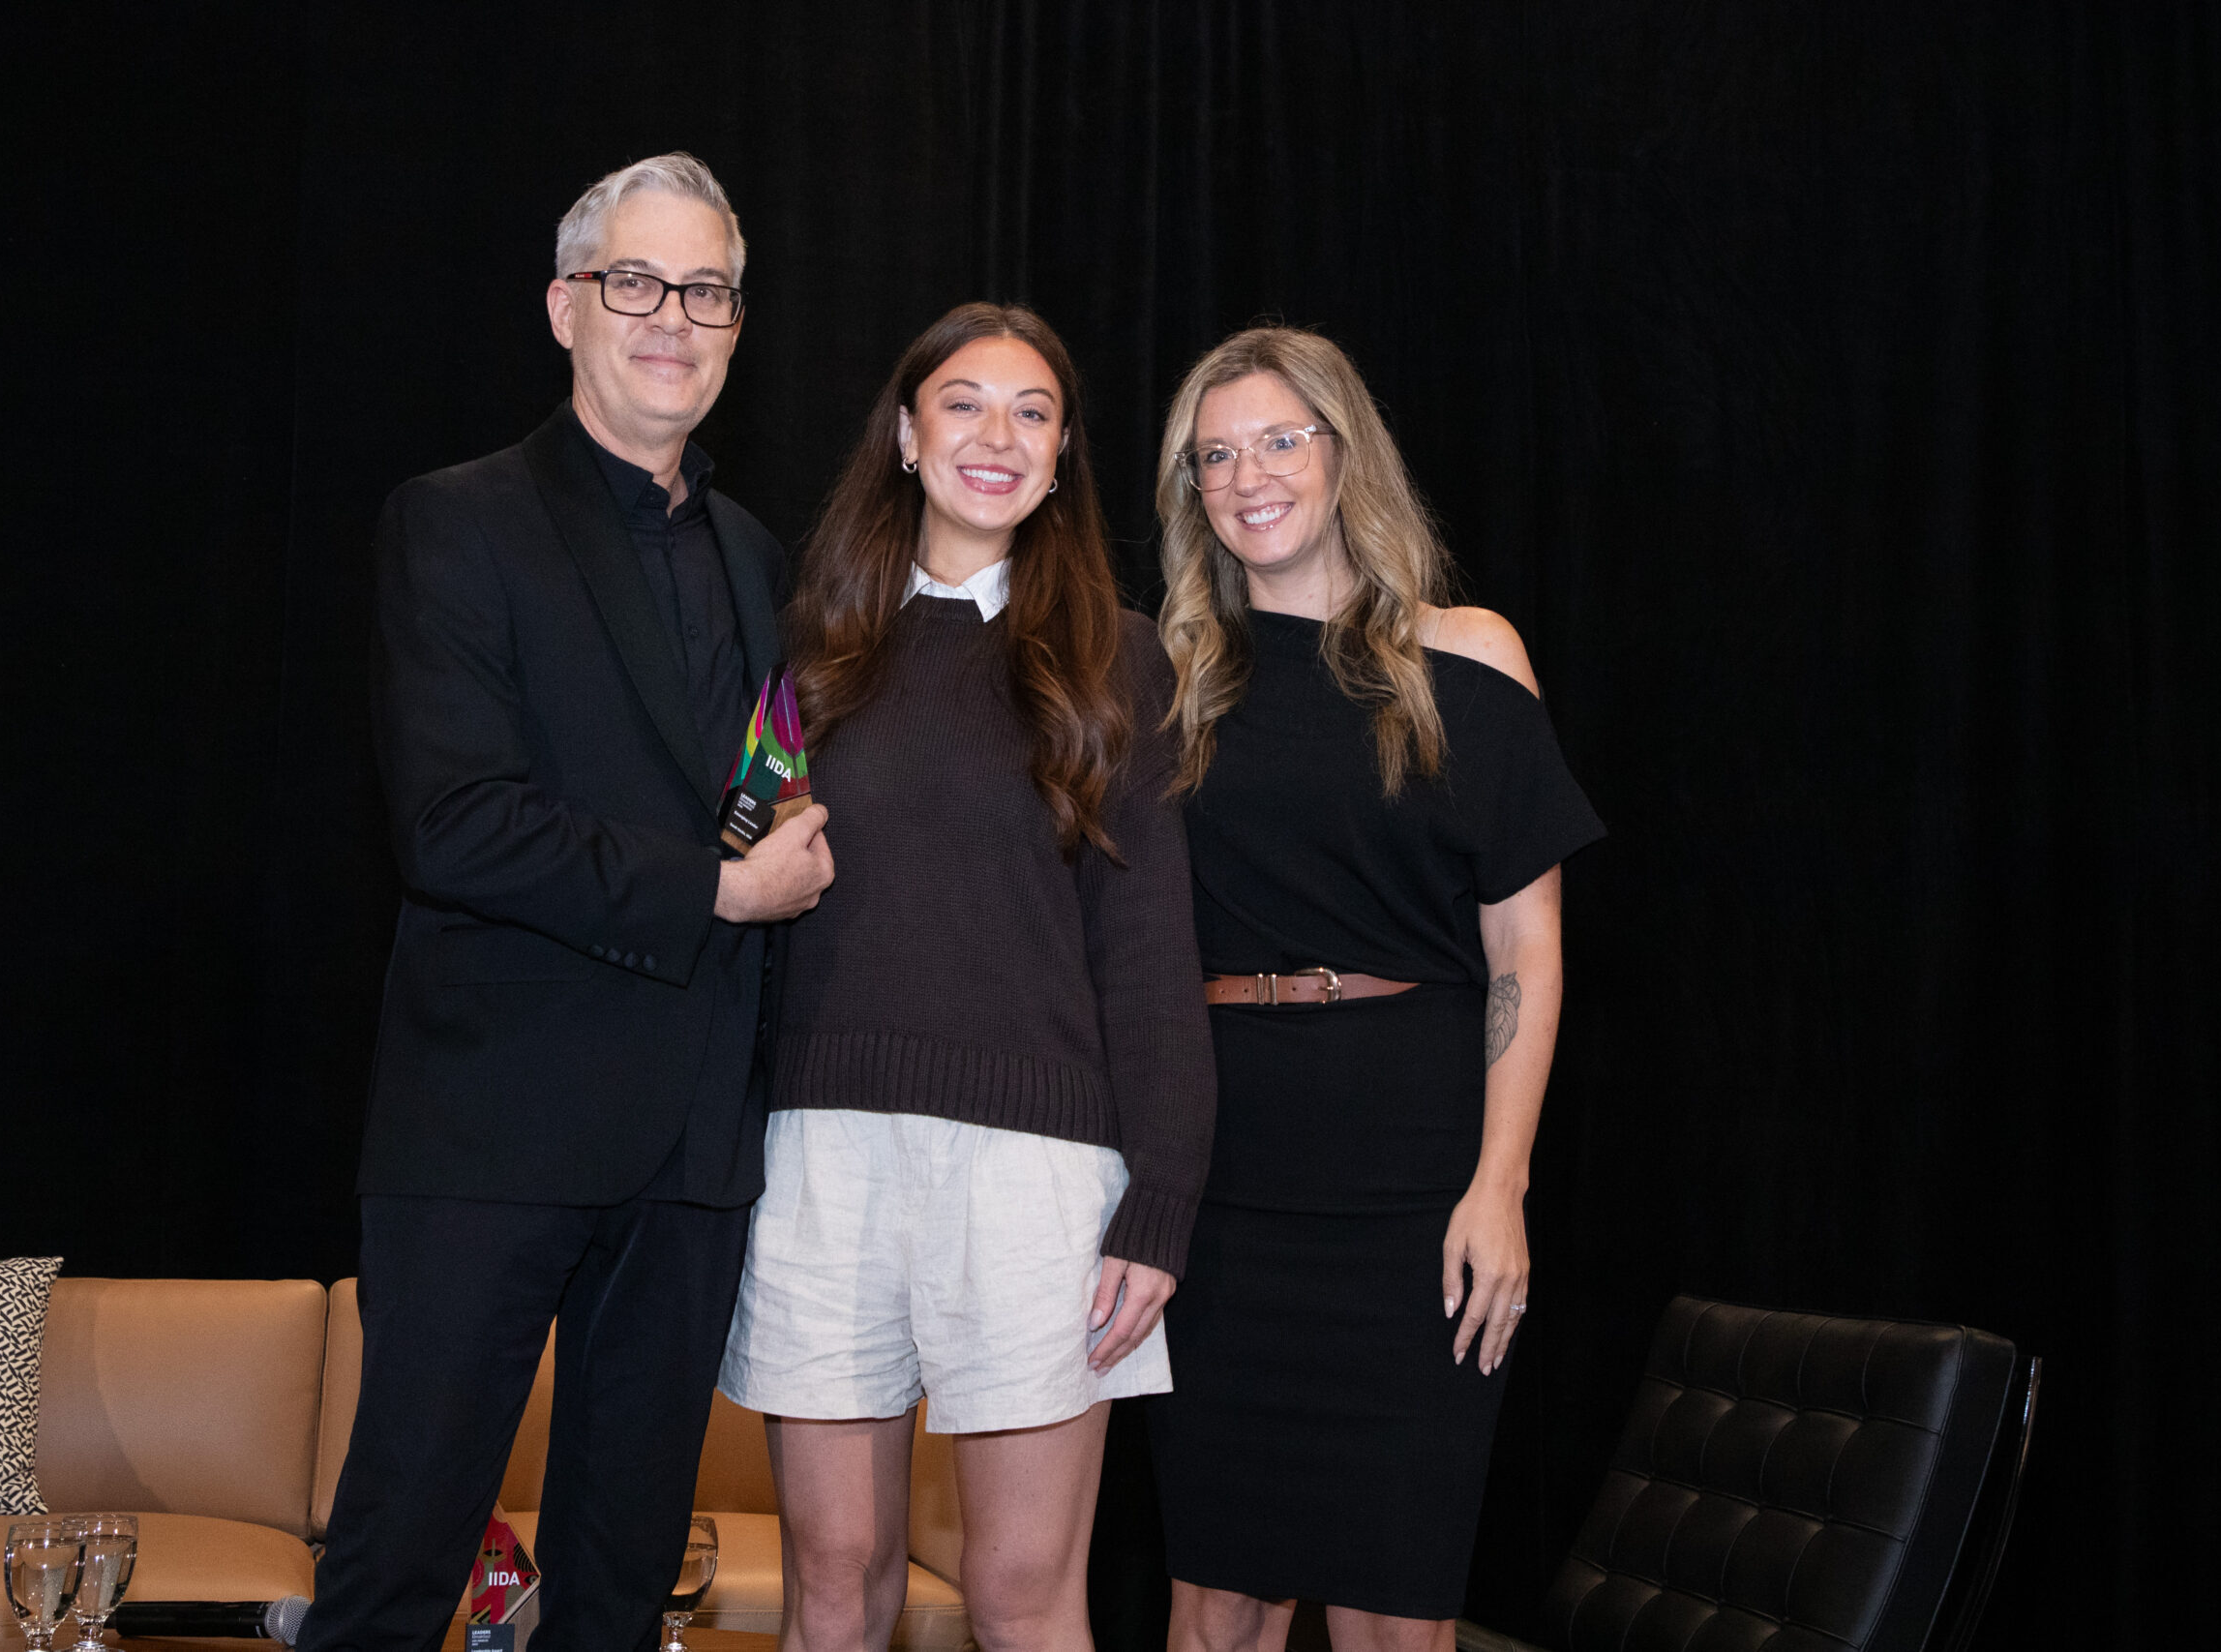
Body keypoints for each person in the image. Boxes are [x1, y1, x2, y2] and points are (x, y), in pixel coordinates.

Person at [302, 153, 835, 1652]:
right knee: (400, 1566)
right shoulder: (455, 521)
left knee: (620, 1587)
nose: (674, 318)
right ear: (564, 307)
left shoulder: (758, 560)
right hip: (490, 1134)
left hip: (689, 1156)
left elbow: (755, 779)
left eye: (708, 291)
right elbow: (456, 827)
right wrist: (723, 893)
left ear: (736, 325)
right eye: (637, 282)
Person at [716, 302, 1216, 1652]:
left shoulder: (1121, 657)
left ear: (1061, 460)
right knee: (836, 1572)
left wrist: (1160, 1203)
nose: (997, 436)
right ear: (903, 433)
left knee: (1019, 1591)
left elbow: (1153, 955)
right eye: (963, 403)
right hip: (822, 1159)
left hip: (1042, 1181)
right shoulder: (803, 654)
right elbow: (741, 900)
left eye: (1032, 412)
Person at [1141, 328, 1606, 1652]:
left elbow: (1526, 951)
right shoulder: (1169, 685)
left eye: (1283, 438)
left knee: (1397, 1614)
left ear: (1347, 456)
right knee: (1215, 1604)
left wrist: (1500, 1185)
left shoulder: (1468, 656)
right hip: (1220, 1190)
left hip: (1416, 1194)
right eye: (1217, 454)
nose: (1251, 475)